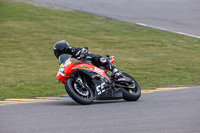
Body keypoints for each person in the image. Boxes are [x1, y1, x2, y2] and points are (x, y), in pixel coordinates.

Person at [53, 40, 122, 79]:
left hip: (88, 62)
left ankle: (115, 70)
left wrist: (83, 53)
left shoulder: (73, 50)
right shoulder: (64, 60)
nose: (58, 54)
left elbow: (85, 48)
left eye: (58, 52)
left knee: (97, 58)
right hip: (81, 68)